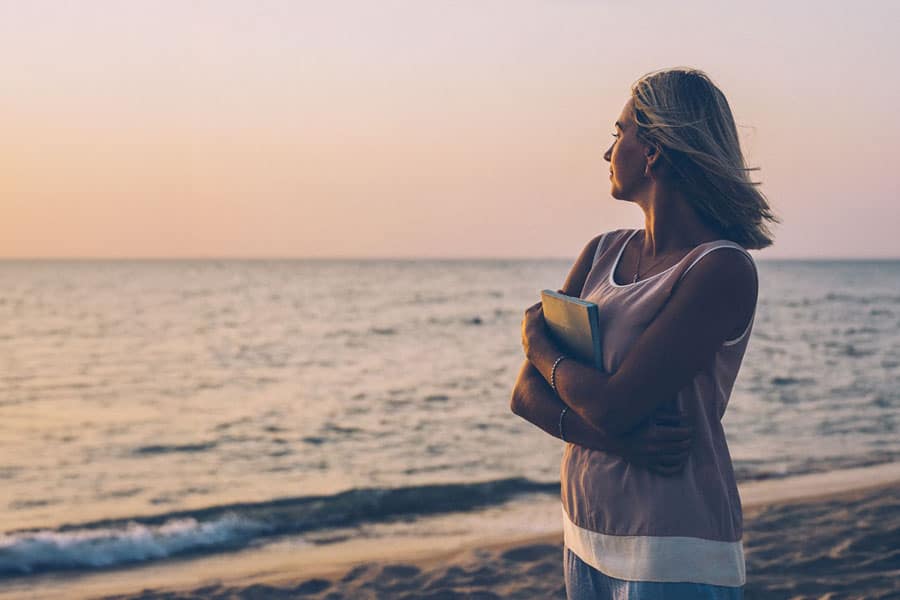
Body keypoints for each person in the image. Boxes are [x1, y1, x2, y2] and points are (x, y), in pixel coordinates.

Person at [510, 67, 779, 599]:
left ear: (653, 148)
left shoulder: (719, 269)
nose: (608, 152)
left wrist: (535, 341)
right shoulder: (600, 252)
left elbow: (615, 405)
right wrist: (618, 443)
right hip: (585, 532)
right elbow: (524, 396)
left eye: (619, 132)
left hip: (673, 547)